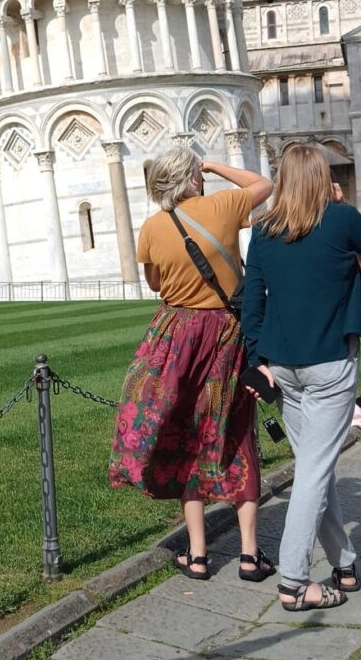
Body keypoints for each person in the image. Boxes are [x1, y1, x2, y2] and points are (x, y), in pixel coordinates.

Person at [241, 144, 361, 612]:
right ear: (322, 177)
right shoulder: (342, 219)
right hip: (328, 362)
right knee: (313, 470)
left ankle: (344, 562)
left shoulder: (264, 231)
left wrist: (256, 357)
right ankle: (293, 581)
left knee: (317, 467)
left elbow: (253, 301)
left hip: (281, 366)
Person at [108, 147, 274, 583]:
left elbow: (157, 284)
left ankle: (198, 555)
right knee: (236, 433)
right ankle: (250, 555)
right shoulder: (222, 205)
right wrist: (215, 166)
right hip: (226, 334)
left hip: (176, 335)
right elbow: (264, 185)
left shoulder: (152, 227)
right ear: (193, 176)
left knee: (187, 436)